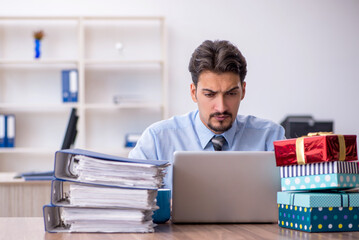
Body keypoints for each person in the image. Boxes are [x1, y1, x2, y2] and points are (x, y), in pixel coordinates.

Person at [129, 40, 285, 189]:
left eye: (231, 93)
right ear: (193, 92)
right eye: (210, 94)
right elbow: (131, 198)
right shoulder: (157, 139)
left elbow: (297, 197)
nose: (221, 107)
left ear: (243, 91)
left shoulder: (270, 138)